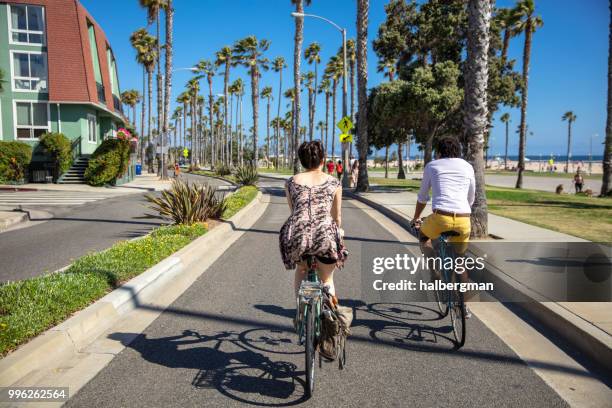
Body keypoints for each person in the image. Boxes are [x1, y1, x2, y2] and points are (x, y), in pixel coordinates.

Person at [410, 136, 475, 316]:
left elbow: (423, 197)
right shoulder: (467, 166)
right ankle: (464, 306)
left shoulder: (432, 166)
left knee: (424, 236)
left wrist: (416, 217)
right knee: (460, 261)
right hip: (463, 219)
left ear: (439, 152)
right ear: (458, 151)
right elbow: (471, 197)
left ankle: (434, 272)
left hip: (440, 218)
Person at [279, 141, 347, 302]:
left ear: (302, 161)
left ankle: (301, 312)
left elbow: (294, 212)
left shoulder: (291, 182)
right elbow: (336, 217)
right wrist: (339, 231)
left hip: (298, 235)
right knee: (327, 278)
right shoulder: (334, 183)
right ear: (322, 160)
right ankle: (330, 310)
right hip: (325, 235)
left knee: (302, 270)